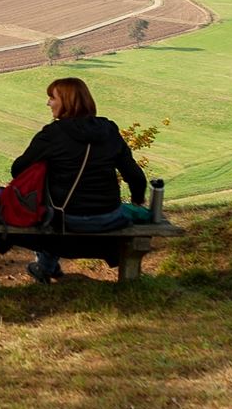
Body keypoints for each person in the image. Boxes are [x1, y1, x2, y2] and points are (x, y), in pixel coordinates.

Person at [8, 76, 147, 284]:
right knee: (134, 212)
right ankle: (46, 266)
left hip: (67, 220)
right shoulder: (109, 130)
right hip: (108, 217)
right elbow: (135, 175)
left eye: (52, 98)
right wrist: (137, 199)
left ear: (66, 101)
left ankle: (45, 265)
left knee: (49, 211)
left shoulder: (52, 134)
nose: (48, 103)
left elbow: (18, 169)